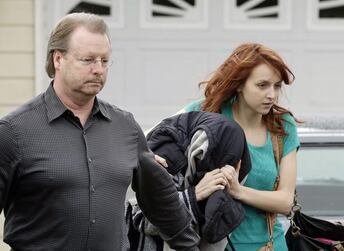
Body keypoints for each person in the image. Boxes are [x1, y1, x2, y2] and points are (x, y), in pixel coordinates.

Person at [0, 12, 200, 251]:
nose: (98, 69)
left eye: (104, 61)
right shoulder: (15, 132)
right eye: (88, 60)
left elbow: (161, 202)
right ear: (58, 59)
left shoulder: (125, 127)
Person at [182, 42, 300, 250]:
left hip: (270, 246)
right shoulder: (206, 114)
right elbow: (152, 149)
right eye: (262, 85)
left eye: (277, 86)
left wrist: (238, 190)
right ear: (239, 84)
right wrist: (194, 192)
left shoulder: (283, 127)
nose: (272, 94)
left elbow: (285, 201)